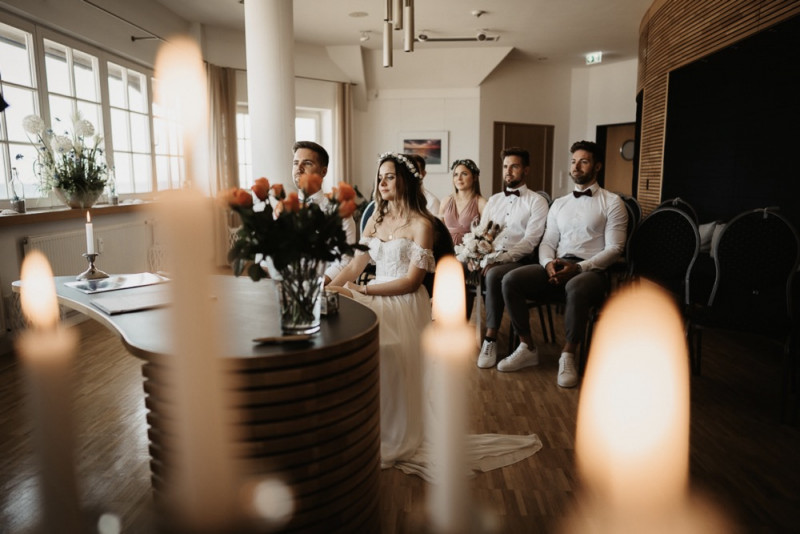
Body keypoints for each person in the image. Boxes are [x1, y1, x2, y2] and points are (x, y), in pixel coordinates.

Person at [328, 152, 541, 478]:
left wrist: (361, 290)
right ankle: (370, 427)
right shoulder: (374, 220)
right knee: (360, 355)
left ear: (405, 181)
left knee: (390, 358)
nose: (382, 183)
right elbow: (356, 264)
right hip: (374, 296)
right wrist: (332, 286)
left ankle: (397, 436)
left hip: (403, 302)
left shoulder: (422, 224)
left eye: (390, 176)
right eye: (380, 177)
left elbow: (412, 281)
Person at [499, 140, 628, 388]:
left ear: (597, 166)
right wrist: (547, 263)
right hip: (557, 264)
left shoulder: (612, 202)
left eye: (583, 161)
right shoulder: (559, 203)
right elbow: (548, 241)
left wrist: (579, 268)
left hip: (591, 270)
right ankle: (527, 347)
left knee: (575, 286)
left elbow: (615, 249)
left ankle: (568, 355)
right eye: (573, 161)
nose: (576, 167)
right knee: (511, 280)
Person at [477, 147, 549, 370]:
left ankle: (490, 338)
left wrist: (502, 259)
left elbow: (531, 241)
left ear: (526, 170)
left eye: (514, 166)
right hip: (492, 258)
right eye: (505, 166)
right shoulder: (494, 200)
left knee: (494, 275)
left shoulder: (537, 201)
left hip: (522, 260)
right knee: (458, 266)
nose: (508, 171)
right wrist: (477, 254)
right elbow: (482, 233)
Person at [292, 141, 357, 284]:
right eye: (296, 163)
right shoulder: (283, 209)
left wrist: (318, 285)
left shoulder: (338, 212)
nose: (299, 168)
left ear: (323, 171)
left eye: (307, 163)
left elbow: (345, 259)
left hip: (324, 288)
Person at [439, 158, 487, 246]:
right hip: (446, 250)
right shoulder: (445, 201)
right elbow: (438, 232)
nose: (459, 178)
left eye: (464, 174)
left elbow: (486, 235)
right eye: (455, 174)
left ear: (474, 177)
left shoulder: (482, 203)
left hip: (470, 252)